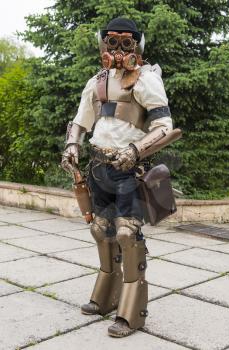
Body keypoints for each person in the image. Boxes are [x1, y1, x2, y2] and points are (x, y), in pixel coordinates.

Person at [61, 17, 173, 337]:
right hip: (98, 167)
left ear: (137, 45)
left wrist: (137, 150)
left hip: (128, 171)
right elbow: (81, 120)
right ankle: (105, 298)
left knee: (127, 235)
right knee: (102, 231)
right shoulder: (98, 80)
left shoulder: (147, 80)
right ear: (103, 44)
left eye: (126, 43)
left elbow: (164, 127)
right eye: (112, 42)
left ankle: (132, 314)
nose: (118, 50)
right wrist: (72, 146)